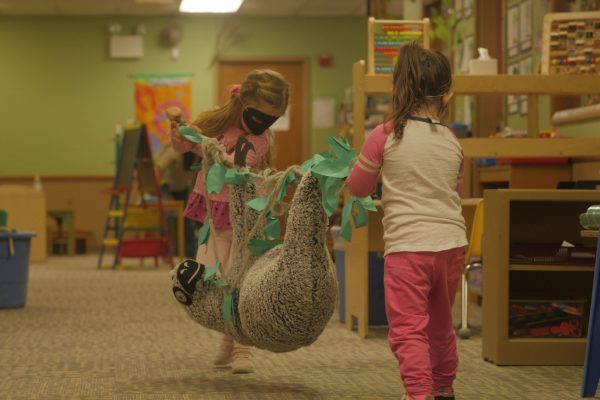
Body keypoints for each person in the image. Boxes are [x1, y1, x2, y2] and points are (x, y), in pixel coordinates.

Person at [346, 42, 467, 400]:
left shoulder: (385, 134)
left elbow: (357, 187)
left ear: (399, 88)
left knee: (408, 330)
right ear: (447, 93)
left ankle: (419, 394)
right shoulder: (452, 140)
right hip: (451, 244)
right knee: (442, 322)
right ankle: (443, 386)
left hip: (408, 248)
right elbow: (452, 189)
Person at [170, 69, 289, 374]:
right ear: (243, 104)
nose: (264, 124)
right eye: (260, 116)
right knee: (218, 274)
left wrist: (204, 146)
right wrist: (181, 131)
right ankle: (228, 339)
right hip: (213, 211)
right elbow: (183, 147)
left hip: (242, 213)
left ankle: (242, 347)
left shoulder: (260, 139)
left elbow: (237, 165)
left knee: (239, 274)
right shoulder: (217, 121)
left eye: (271, 119)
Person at [155, 141, 197, 258]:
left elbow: (195, 176)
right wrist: (155, 190)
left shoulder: (197, 153)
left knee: (188, 220)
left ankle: (189, 253)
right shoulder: (175, 151)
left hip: (182, 188)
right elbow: (158, 168)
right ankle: (166, 252)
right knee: (168, 218)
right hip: (167, 186)